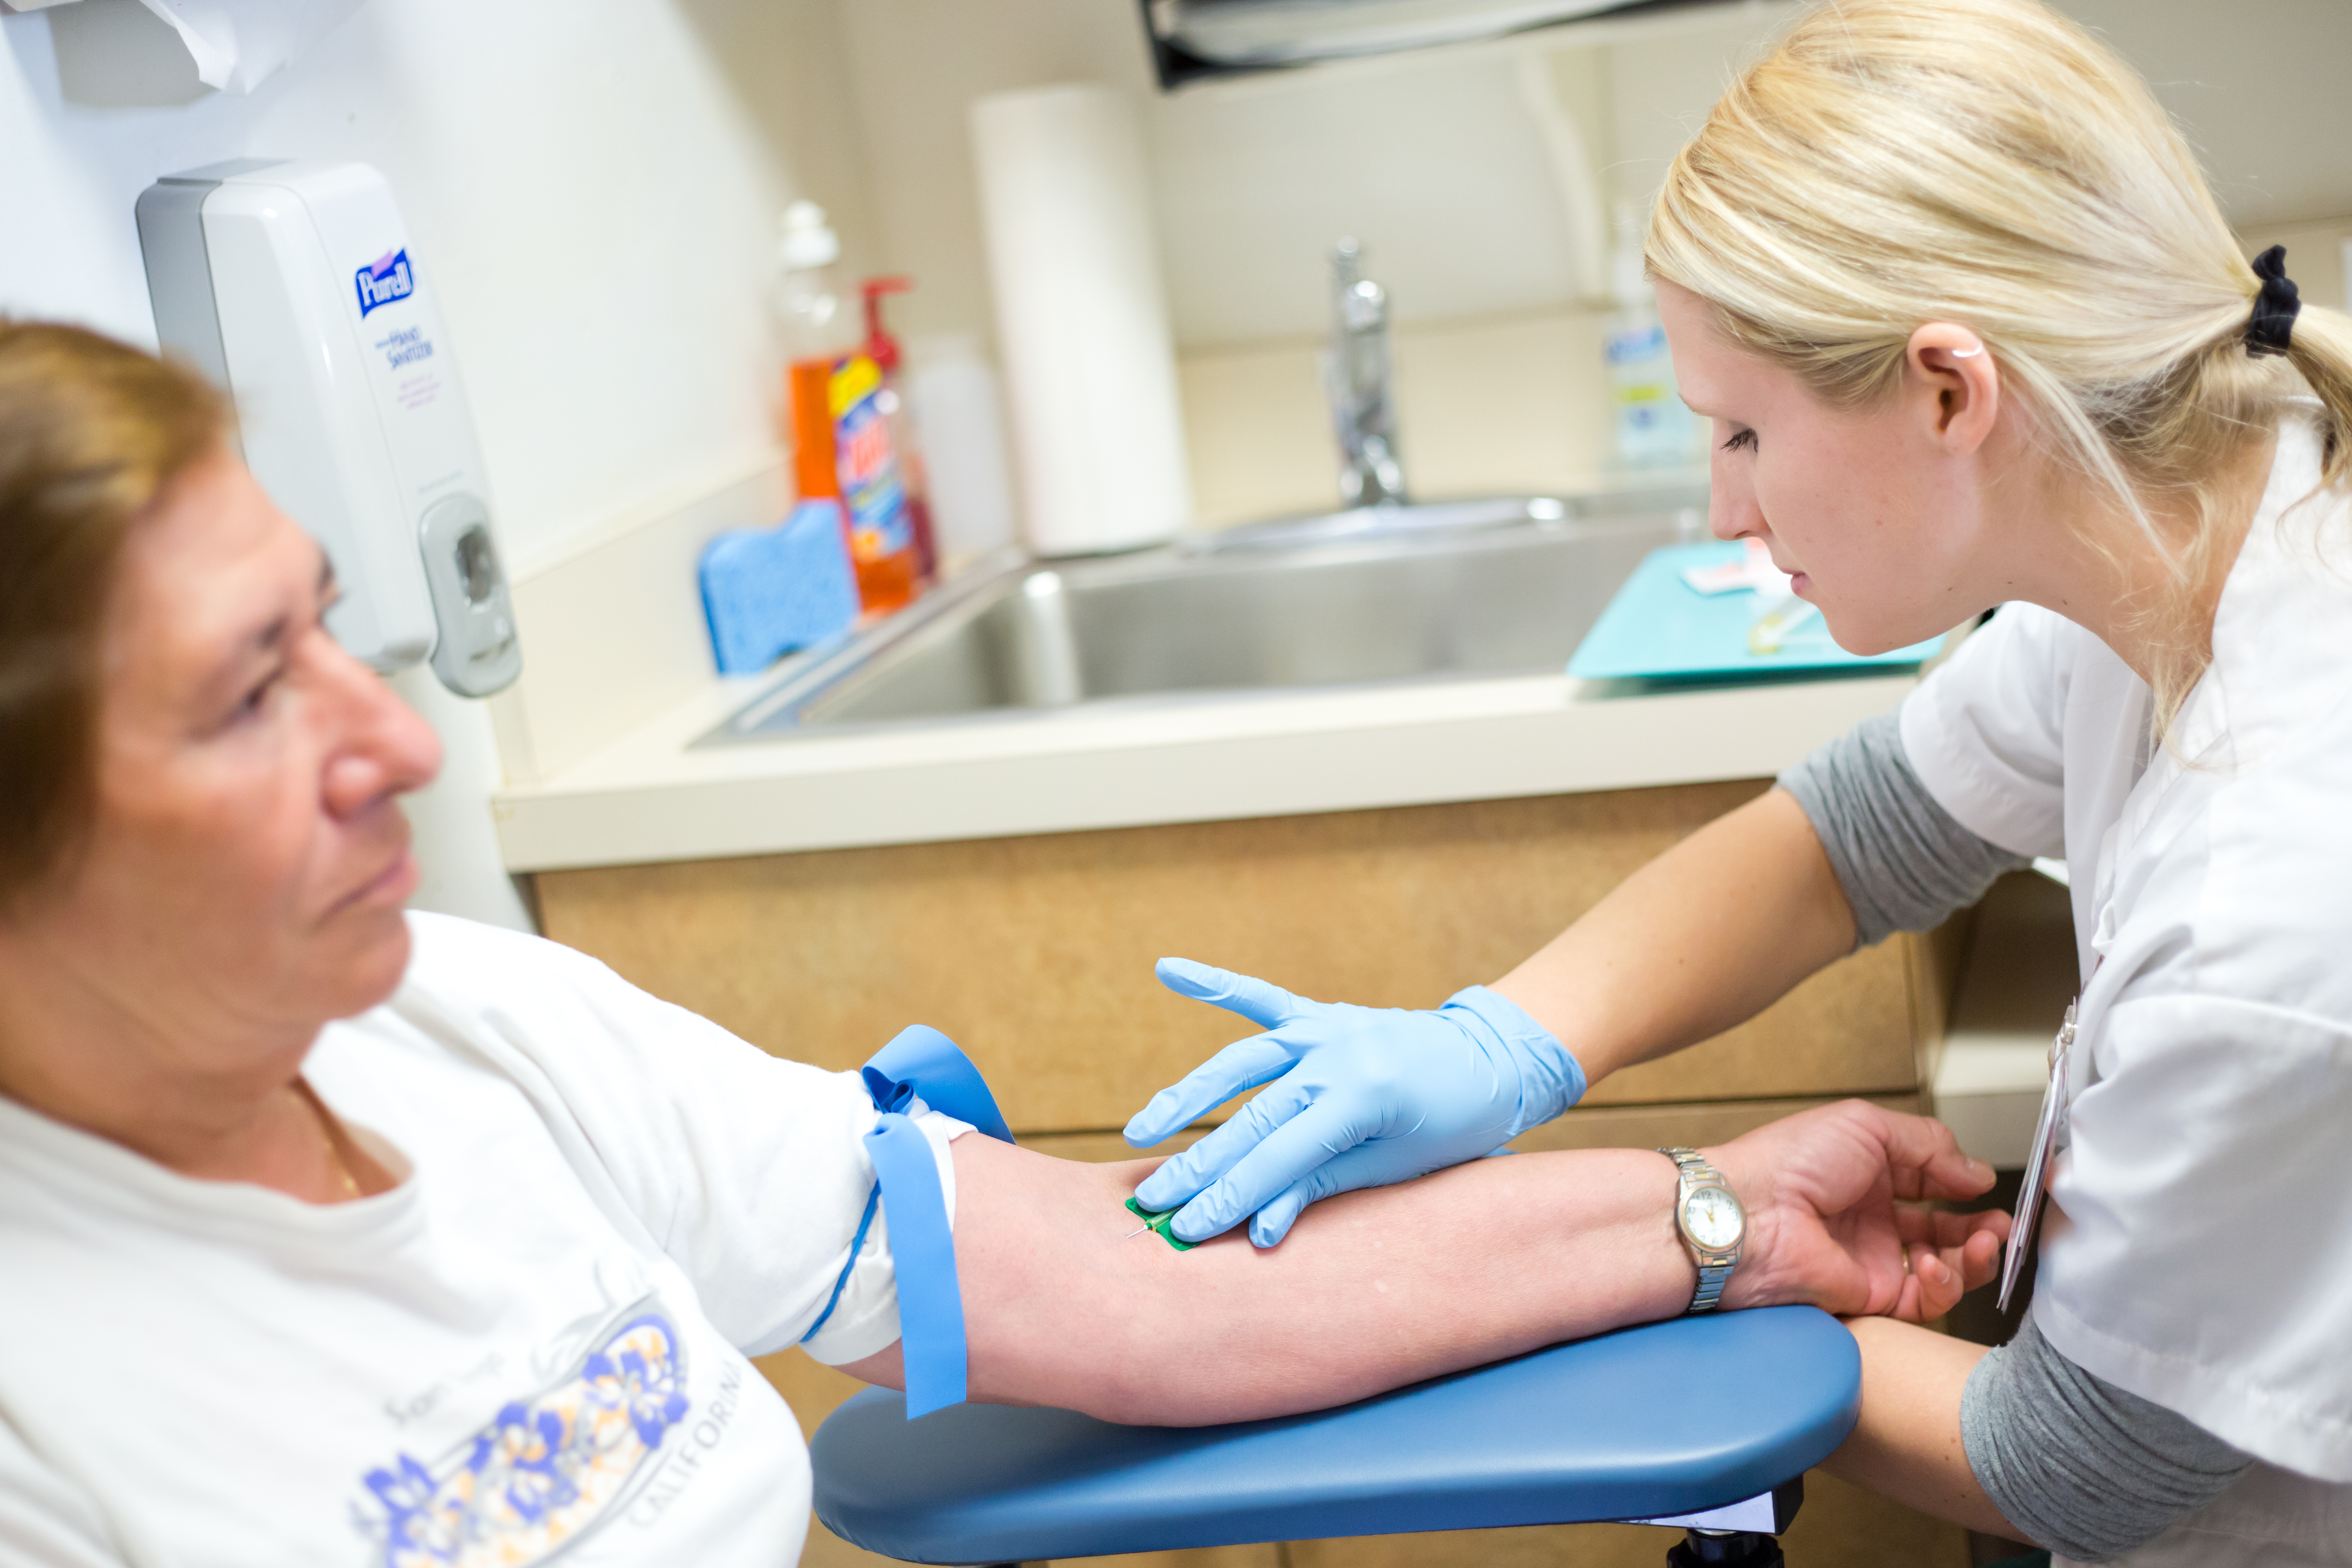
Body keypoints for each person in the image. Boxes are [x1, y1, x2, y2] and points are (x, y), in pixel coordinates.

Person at [0, 319, 2004, 1566]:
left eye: (336, 628)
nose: (399, 744)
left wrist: (1712, 1219)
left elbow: (1139, 1294)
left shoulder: (469, 1028)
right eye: (251, 695)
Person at [1121, 1, 2352, 1563]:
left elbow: (2074, 1467)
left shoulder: (2283, 894)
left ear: (1950, 393)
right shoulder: (2188, 512)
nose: (1722, 509)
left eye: (1746, 432)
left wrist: (1679, 1276)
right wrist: (1503, 1043)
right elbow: (1856, 837)